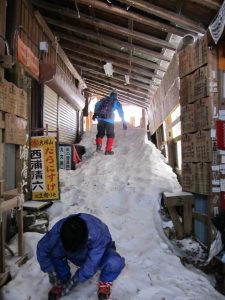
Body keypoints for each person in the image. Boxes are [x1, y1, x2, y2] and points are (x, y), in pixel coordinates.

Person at [37, 213, 125, 300]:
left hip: (96, 255)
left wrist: (75, 280)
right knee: (53, 251)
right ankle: (61, 280)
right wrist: (50, 270)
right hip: (71, 251)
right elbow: (43, 247)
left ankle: (105, 282)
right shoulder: (61, 227)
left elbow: (92, 264)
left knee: (115, 263)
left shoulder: (97, 233)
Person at [92, 90, 127, 155]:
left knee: (100, 133)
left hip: (100, 119)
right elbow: (120, 112)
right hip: (109, 120)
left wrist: (95, 114)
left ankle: (98, 147)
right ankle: (108, 151)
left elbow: (96, 105)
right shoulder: (116, 102)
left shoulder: (104, 100)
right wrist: (123, 121)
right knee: (110, 135)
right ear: (116, 96)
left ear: (110, 95)